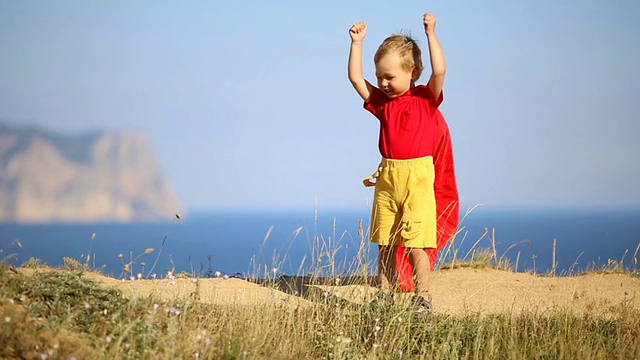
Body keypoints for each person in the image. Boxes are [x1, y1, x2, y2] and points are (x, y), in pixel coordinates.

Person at [348, 12, 458, 314]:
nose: (383, 82)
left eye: (390, 76)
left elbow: (440, 71)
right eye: (380, 75)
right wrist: (357, 44)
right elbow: (356, 79)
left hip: (419, 177)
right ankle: (383, 294)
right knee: (385, 242)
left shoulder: (425, 99)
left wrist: (431, 34)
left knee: (416, 243)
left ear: (413, 71)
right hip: (388, 176)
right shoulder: (383, 104)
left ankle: (422, 297)